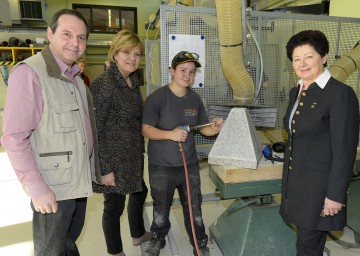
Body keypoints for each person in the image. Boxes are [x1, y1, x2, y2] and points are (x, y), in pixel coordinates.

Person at [0, 9, 100, 255]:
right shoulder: (30, 73)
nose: (75, 43)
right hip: (53, 188)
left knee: (68, 243)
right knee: (50, 250)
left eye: (81, 37)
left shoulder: (75, 76)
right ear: (50, 34)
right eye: (67, 34)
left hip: (76, 182)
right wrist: (38, 190)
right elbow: (14, 138)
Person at [280, 30, 359, 256]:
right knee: (309, 244)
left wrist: (335, 194)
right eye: (296, 58)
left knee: (307, 247)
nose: (302, 63)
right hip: (297, 185)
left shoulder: (340, 94)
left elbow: (345, 149)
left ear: (323, 57)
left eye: (309, 56)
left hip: (319, 188)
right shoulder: (297, 92)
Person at [142, 51, 224, 256]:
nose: (187, 75)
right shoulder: (157, 98)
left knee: (194, 207)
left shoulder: (195, 99)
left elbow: (203, 129)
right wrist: (171, 134)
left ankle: (200, 244)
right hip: (162, 165)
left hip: (188, 164)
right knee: (161, 206)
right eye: (183, 70)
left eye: (192, 72)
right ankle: (158, 238)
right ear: (172, 71)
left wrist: (214, 128)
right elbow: (146, 129)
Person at [90, 30, 152, 256]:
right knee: (113, 208)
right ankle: (115, 252)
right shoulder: (104, 85)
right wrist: (105, 170)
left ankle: (137, 234)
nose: (132, 58)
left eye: (137, 54)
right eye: (127, 52)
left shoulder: (132, 82)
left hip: (132, 156)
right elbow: (94, 131)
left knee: (139, 191)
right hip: (113, 160)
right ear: (115, 53)